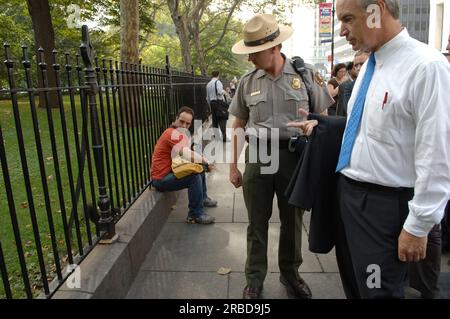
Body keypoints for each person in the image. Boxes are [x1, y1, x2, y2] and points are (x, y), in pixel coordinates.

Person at [288, 0, 450, 298]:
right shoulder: (370, 66)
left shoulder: (427, 67)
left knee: (379, 292)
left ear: (377, 10)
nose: (342, 30)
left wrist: (419, 224)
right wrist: (321, 125)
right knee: (357, 287)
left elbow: (437, 154)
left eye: (348, 19)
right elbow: (366, 128)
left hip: (384, 207)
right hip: (349, 198)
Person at [228, 13, 333, 299]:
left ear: (274, 48)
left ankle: (291, 275)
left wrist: (314, 132)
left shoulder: (306, 75)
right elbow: (238, 125)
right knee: (256, 223)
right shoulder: (247, 82)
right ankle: (254, 278)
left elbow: (323, 119)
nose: (250, 59)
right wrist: (233, 167)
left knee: (293, 222)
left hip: (294, 157)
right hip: (259, 157)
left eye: (255, 52)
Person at [151, 106, 217, 225]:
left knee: (198, 168)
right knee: (194, 177)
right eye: (182, 121)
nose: (184, 125)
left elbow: (190, 152)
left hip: (170, 171)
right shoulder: (172, 134)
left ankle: (203, 198)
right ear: (176, 119)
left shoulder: (179, 133)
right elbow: (186, 154)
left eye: (188, 123)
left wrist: (203, 162)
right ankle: (195, 215)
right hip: (160, 179)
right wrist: (206, 162)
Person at [336, 51, 369, 117]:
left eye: (362, 64)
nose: (358, 68)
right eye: (356, 65)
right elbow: (344, 113)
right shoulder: (348, 87)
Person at [206, 71, 229, 142]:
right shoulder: (218, 82)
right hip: (219, 102)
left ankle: (217, 137)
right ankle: (224, 137)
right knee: (222, 118)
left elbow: (207, 98)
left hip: (212, 103)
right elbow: (219, 91)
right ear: (218, 75)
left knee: (215, 120)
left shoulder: (208, 84)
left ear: (212, 75)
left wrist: (210, 106)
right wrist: (225, 92)